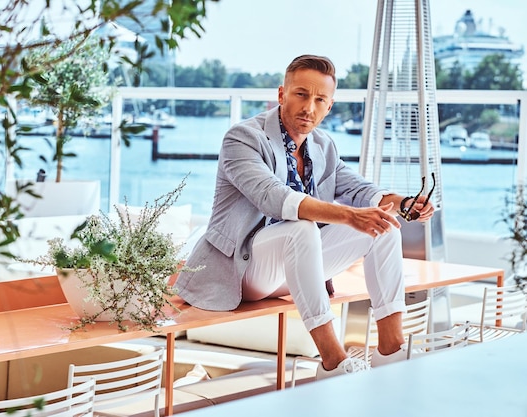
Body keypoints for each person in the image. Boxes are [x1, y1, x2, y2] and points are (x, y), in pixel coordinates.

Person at [174, 54, 434, 377]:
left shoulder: (324, 146)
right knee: (303, 229)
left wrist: (404, 202)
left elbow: (357, 189)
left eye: (320, 99)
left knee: (385, 227)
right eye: (301, 94)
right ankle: (334, 363)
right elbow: (274, 197)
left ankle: (392, 351)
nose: (309, 107)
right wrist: (350, 217)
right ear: (282, 94)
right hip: (244, 269)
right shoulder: (242, 138)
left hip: (297, 265)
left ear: (330, 106)